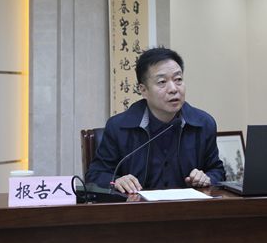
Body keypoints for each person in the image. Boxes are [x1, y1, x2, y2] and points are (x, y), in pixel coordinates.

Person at [85, 47, 225, 193]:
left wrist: (207, 178)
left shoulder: (203, 124)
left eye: (178, 79)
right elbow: (95, 175)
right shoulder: (118, 127)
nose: (173, 89)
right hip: (137, 206)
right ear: (143, 90)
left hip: (188, 206)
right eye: (162, 82)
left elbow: (217, 171)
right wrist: (116, 181)